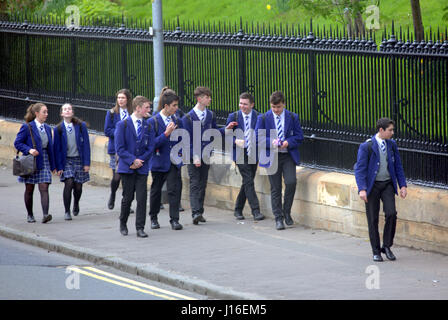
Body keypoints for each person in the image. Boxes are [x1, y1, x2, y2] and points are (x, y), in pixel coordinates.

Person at [354, 117, 407, 262]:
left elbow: (398, 166)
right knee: (373, 219)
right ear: (381, 130)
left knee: (391, 213)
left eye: (392, 130)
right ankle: (376, 251)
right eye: (390, 130)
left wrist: (402, 185)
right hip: (373, 187)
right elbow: (360, 169)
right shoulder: (367, 146)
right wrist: (362, 189)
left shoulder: (392, 145)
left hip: (387, 184)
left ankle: (387, 246)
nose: (392, 133)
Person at [182, 86, 236, 225]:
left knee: (202, 183)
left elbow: (214, 132)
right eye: (207, 97)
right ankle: (195, 212)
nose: (210, 99)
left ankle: (200, 211)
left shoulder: (210, 115)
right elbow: (187, 140)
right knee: (194, 183)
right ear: (200, 99)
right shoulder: (187, 118)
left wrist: (226, 129)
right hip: (193, 156)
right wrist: (194, 156)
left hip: (206, 154)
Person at [255, 91, 304, 230]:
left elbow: (300, 136)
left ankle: (286, 211)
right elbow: (258, 137)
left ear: (284, 104)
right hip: (272, 156)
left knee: (291, 182)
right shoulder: (263, 118)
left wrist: (288, 142)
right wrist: (272, 142)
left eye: (279, 107)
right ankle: (278, 218)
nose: (276, 110)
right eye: (273, 107)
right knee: (275, 188)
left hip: (287, 155)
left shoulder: (292, 117)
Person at [114, 95, 154, 238]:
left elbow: (150, 147)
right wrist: (132, 160)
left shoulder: (148, 125)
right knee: (128, 197)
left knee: (142, 198)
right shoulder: (123, 125)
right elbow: (120, 148)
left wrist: (140, 160)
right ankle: (123, 222)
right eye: (146, 107)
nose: (149, 110)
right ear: (138, 108)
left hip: (141, 167)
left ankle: (140, 227)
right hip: (128, 168)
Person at [14, 103, 56, 223]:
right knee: (29, 189)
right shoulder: (27, 127)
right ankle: (30, 215)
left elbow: (50, 148)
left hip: (44, 160)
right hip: (31, 161)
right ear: (36, 113)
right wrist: (29, 150)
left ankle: (45, 214)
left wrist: (53, 166)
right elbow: (17, 143)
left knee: (44, 186)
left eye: (47, 112)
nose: (46, 114)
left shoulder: (48, 128)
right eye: (44, 112)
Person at [225, 92, 264, 221]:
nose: (242, 106)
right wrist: (236, 141)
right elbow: (226, 135)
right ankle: (256, 211)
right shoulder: (233, 116)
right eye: (240, 103)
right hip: (239, 154)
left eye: (245, 104)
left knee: (247, 182)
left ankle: (238, 209)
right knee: (248, 180)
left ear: (252, 105)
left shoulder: (259, 117)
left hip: (253, 153)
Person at [148, 90, 184, 230]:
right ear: (166, 105)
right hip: (158, 162)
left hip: (173, 162)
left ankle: (174, 219)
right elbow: (152, 144)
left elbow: (181, 139)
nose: (176, 108)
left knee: (173, 191)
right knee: (156, 191)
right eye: (174, 105)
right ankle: (153, 218)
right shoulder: (153, 121)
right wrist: (166, 134)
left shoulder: (176, 120)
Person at [53, 103, 91, 221]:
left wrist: (86, 163)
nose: (67, 111)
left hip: (79, 159)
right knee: (69, 182)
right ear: (62, 113)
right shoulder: (58, 129)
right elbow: (56, 149)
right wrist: (58, 166)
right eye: (65, 109)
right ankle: (67, 211)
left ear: (72, 112)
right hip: (66, 161)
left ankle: (76, 203)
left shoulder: (81, 126)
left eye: (69, 109)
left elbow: (86, 145)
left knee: (78, 187)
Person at [104, 89, 133, 211]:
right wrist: (119, 133)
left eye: (123, 98)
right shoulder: (111, 113)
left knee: (128, 178)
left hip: (130, 148)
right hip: (116, 149)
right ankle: (113, 193)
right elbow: (107, 130)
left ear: (128, 99)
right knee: (117, 176)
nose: (120, 100)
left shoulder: (132, 112)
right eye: (119, 98)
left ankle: (126, 203)